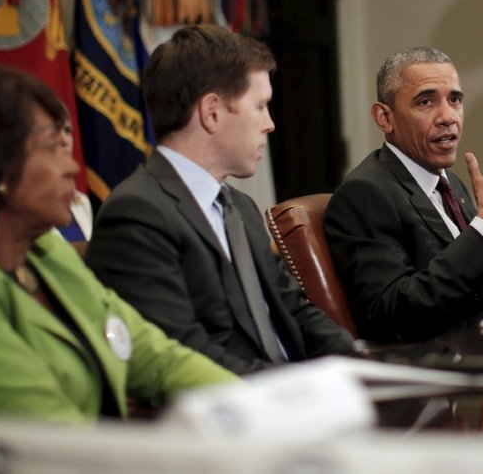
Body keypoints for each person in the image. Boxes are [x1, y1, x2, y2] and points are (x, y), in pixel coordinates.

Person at [0, 62, 236, 422]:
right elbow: (53, 441)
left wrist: (257, 411)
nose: (73, 167)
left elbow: (159, 360)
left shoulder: (46, 253)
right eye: (52, 148)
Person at [87, 25, 356, 375]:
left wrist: (360, 361)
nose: (270, 124)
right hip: (230, 412)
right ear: (212, 112)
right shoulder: (136, 214)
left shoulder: (239, 208)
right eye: (260, 107)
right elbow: (184, 353)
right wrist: (291, 393)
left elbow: (293, 309)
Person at [324, 46, 483, 343]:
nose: (448, 117)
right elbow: (395, 315)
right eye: (425, 102)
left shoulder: (451, 184)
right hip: (445, 368)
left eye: (455, 100)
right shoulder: (366, 193)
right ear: (385, 117)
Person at [54, 113, 93, 255]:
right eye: (55, 130)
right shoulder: (21, 209)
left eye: (67, 131)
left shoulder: (81, 201)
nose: (64, 139)